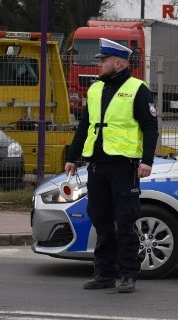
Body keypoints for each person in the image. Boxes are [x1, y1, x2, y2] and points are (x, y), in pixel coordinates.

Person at [65, 38, 159, 293]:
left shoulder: (137, 89)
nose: (99, 65)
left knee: (125, 221)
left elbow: (150, 128)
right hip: (97, 164)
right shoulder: (95, 89)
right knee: (101, 219)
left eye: (104, 60)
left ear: (118, 63)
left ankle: (128, 274)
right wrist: (72, 157)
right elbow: (85, 125)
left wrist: (147, 161)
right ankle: (104, 273)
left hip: (124, 165)